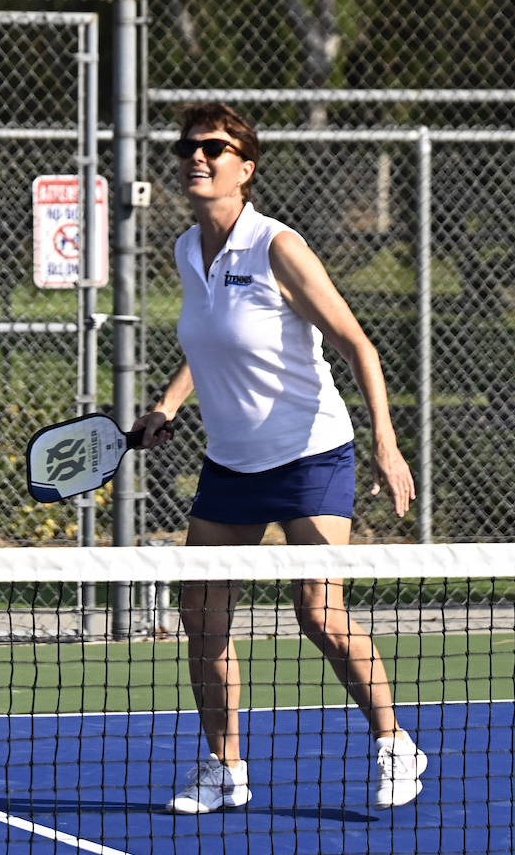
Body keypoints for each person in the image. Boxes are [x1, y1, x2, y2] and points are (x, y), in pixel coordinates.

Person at [133, 103, 425, 813]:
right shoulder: (183, 250)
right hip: (231, 465)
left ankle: (395, 745)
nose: (197, 157)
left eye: (214, 148)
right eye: (189, 148)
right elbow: (212, 343)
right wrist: (169, 404)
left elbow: (360, 346)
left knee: (318, 612)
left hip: (310, 456)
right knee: (201, 614)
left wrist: (386, 445)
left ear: (246, 167)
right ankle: (224, 768)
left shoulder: (278, 248)